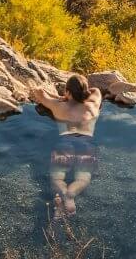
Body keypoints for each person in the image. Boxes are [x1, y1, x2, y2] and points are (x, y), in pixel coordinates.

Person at [31, 74, 102, 218]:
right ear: (85, 92)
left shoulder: (59, 106)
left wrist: (61, 98)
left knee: (57, 178)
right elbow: (96, 91)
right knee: (83, 178)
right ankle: (71, 195)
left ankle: (63, 193)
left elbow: (38, 92)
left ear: (68, 92)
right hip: (86, 144)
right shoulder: (92, 105)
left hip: (65, 143)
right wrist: (80, 94)